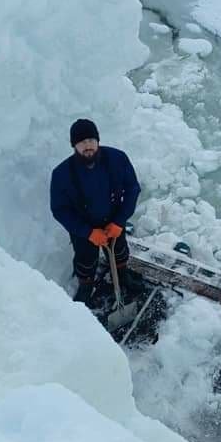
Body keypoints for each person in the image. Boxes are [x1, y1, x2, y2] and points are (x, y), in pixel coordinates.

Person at [50, 118, 142, 305]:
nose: (88, 146)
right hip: (83, 227)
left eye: (91, 140)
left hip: (113, 220)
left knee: (119, 251)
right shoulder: (61, 174)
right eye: (82, 142)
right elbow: (59, 209)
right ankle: (86, 286)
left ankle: (122, 275)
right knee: (86, 260)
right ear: (74, 145)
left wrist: (119, 221)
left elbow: (132, 189)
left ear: (98, 140)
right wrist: (88, 232)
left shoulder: (117, 159)